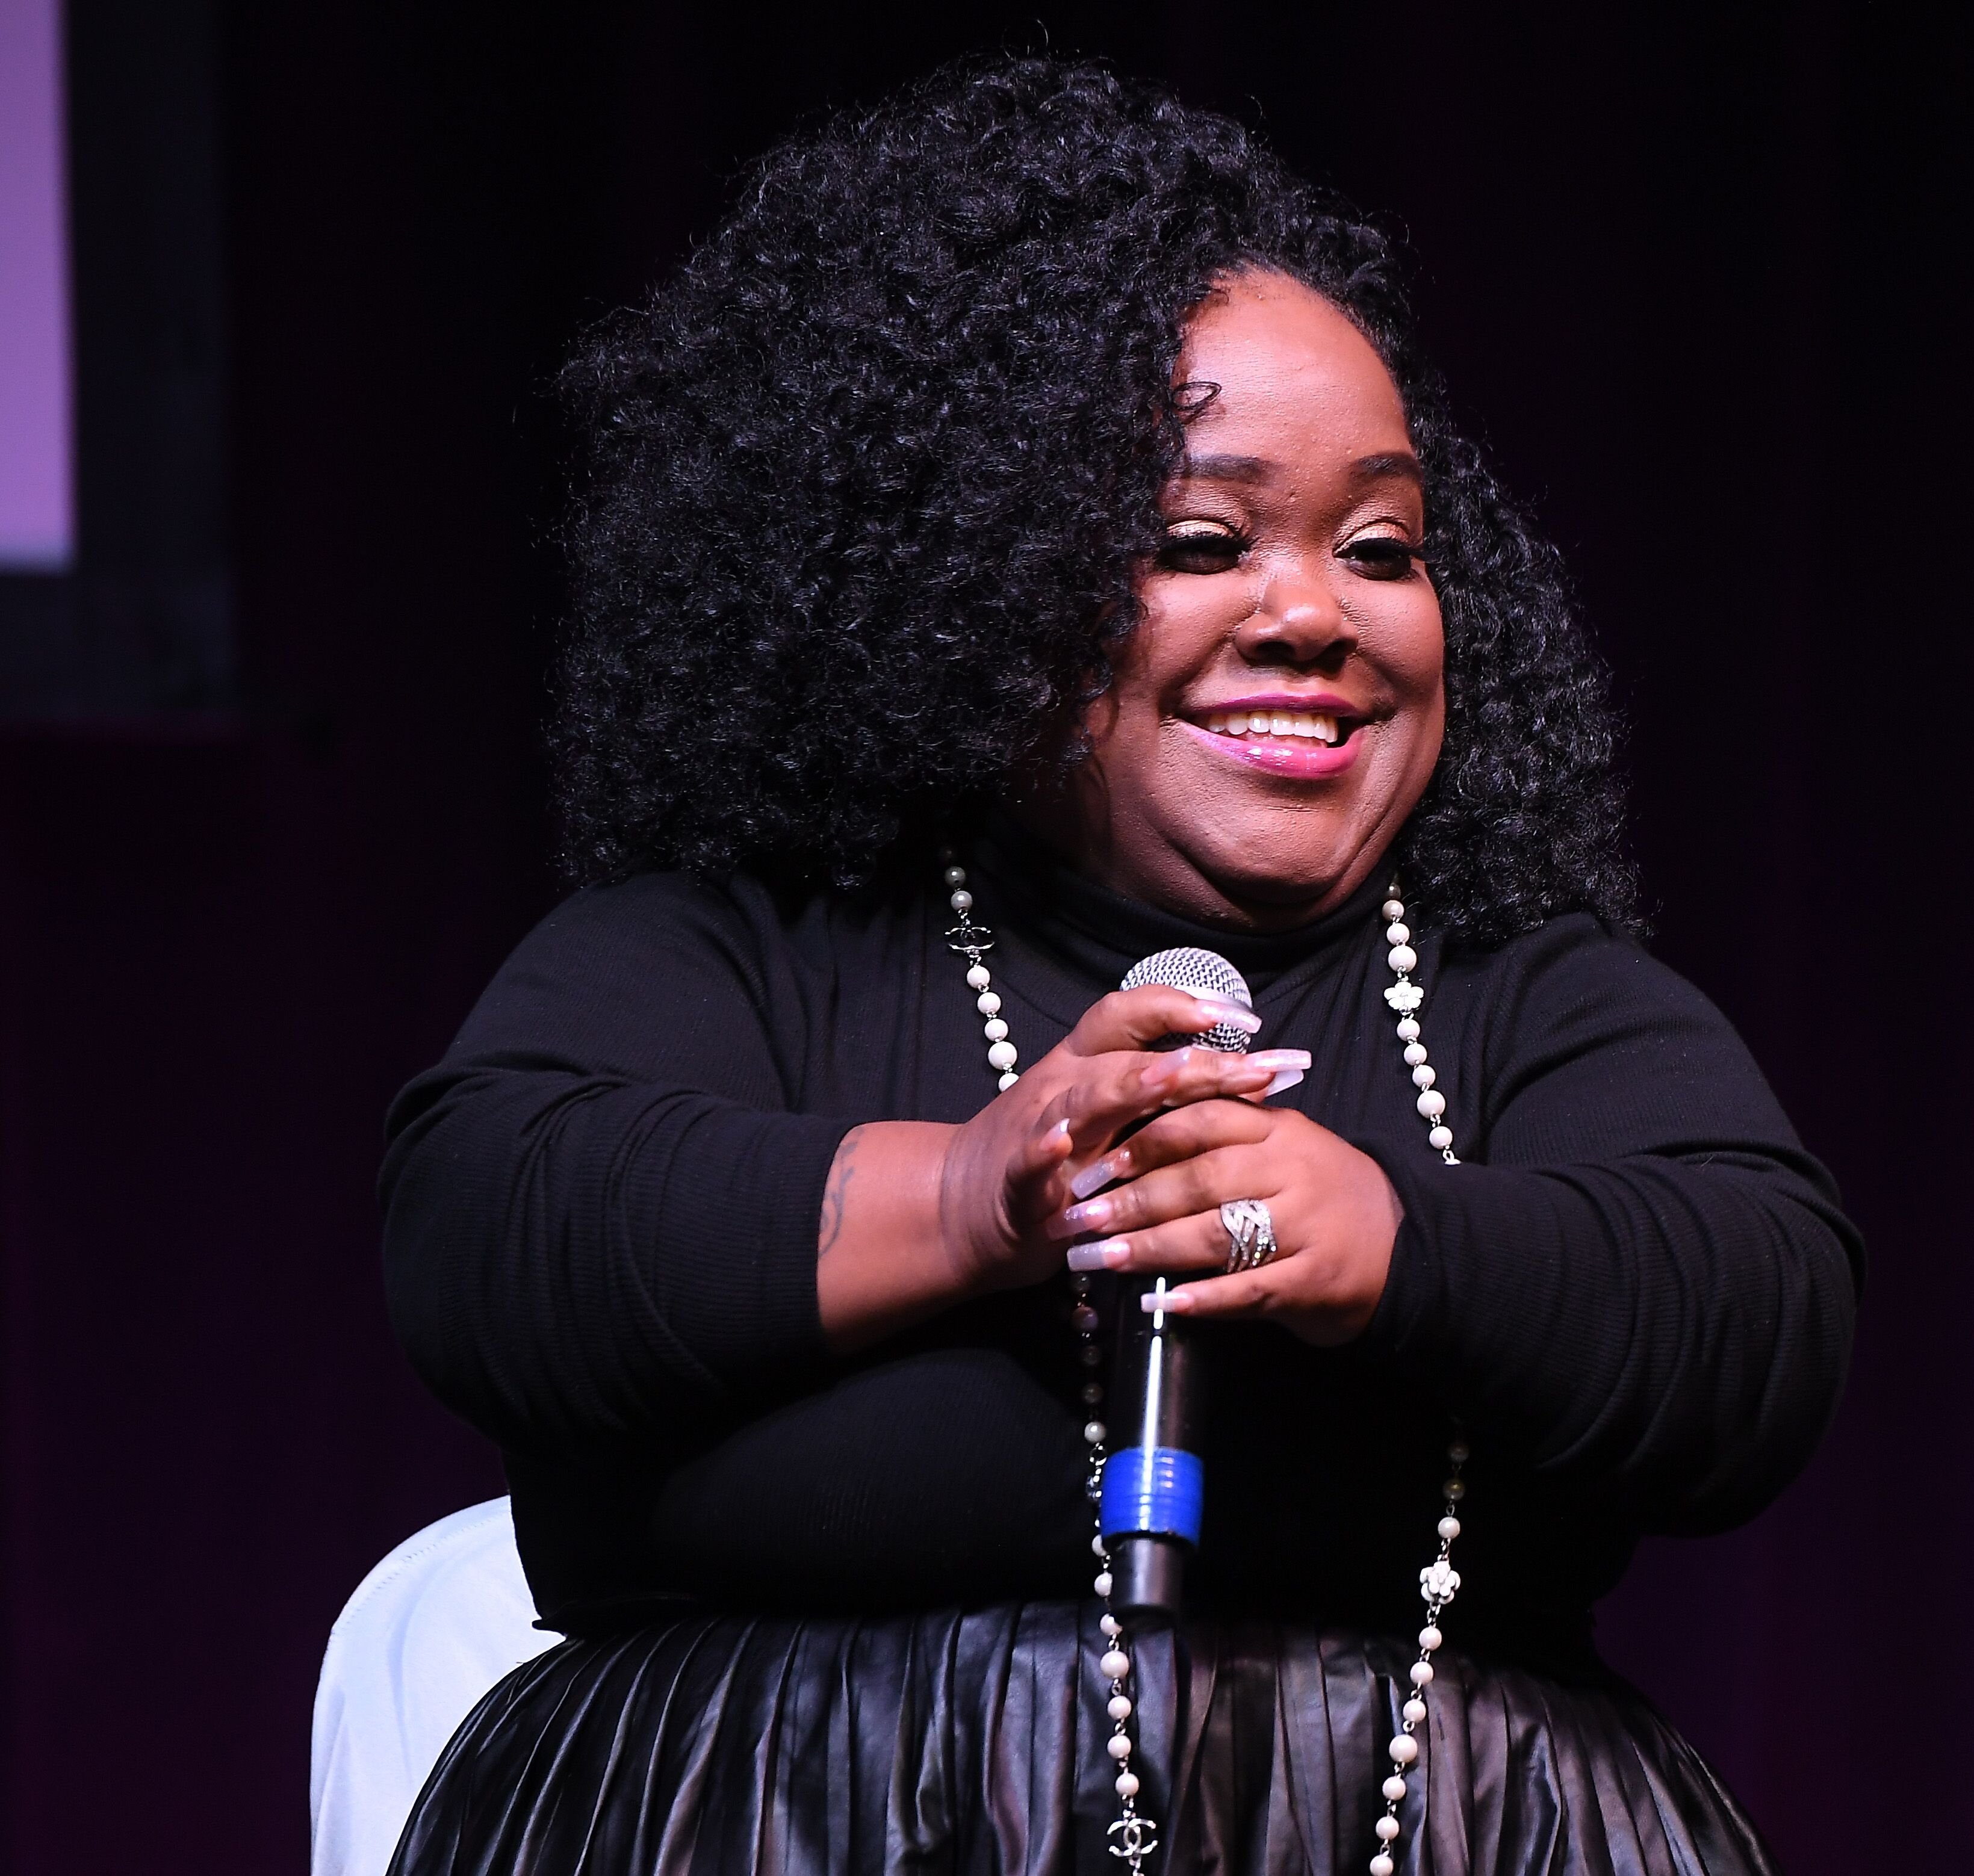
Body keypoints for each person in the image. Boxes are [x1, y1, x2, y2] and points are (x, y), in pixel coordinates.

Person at [379, 57, 1861, 1876]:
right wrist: (970, 1192)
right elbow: (488, 1227)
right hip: (766, 1824)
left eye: (1381, 547)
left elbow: (1755, 1314)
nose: (1311, 613)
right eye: (1196, 543)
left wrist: (1384, 1242)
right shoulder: (751, 943)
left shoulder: (1513, 992)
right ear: (963, 582)